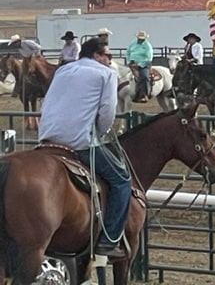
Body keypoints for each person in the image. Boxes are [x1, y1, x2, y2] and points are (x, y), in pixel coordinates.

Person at [38, 38, 130, 259]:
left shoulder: (63, 70)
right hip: (79, 141)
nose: (110, 59)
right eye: (107, 55)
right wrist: (100, 130)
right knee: (121, 180)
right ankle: (109, 240)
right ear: (97, 55)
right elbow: (108, 112)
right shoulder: (106, 74)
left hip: (47, 138)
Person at [125, 31, 153, 102]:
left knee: (144, 76)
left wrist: (139, 64)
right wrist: (129, 61)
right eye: (140, 38)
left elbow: (148, 57)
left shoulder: (147, 45)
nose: (141, 40)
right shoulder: (132, 44)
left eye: (142, 39)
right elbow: (127, 52)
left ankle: (144, 95)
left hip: (143, 65)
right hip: (132, 63)